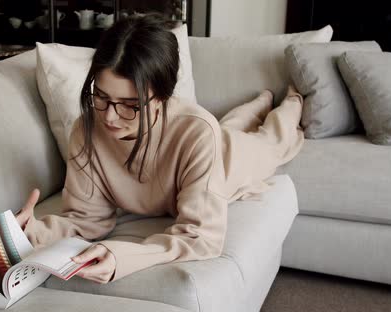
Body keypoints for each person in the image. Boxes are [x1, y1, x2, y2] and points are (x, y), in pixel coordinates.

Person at [16, 13, 304, 284]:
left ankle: (291, 101)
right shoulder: (86, 129)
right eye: (101, 97)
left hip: (230, 160)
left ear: (163, 98)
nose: (109, 117)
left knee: (274, 138)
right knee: (232, 124)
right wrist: (31, 232)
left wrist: (123, 256)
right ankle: (260, 101)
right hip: (211, 137)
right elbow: (86, 219)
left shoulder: (197, 131)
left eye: (130, 106)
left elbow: (201, 236)